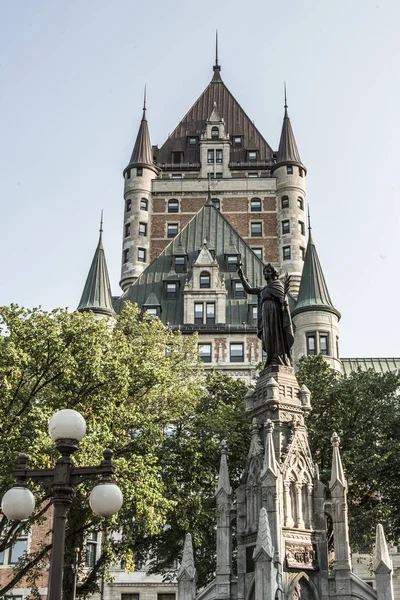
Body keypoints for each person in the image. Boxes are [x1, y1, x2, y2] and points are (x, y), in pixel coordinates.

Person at [237, 262, 294, 367]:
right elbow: (249, 290)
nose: (265, 274)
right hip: (265, 314)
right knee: (267, 336)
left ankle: (278, 358)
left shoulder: (278, 285)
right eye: (264, 272)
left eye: (267, 271)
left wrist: (285, 304)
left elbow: (283, 301)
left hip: (274, 314)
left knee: (275, 335)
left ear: (274, 274)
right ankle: (271, 358)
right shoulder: (263, 288)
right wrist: (241, 276)